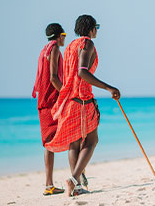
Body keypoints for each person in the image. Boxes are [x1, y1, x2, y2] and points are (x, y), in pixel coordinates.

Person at [45, 14, 121, 197]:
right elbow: (82, 72)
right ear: (91, 28)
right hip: (82, 99)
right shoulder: (87, 44)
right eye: (96, 27)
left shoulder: (70, 46)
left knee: (75, 143)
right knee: (92, 140)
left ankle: (77, 185)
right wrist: (109, 88)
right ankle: (73, 179)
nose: (96, 31)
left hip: (69, 99)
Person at [32, 23, 66, 196]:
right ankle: (78, 178)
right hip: (51, 102)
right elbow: (53, 78)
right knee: (73, 135)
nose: (65, 39)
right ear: (58, 36)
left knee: (49, 143)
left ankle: (49, 185)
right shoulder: (53, 50)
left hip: (44, 101)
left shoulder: (44, 49)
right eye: (64, 35)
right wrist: (67, 92)